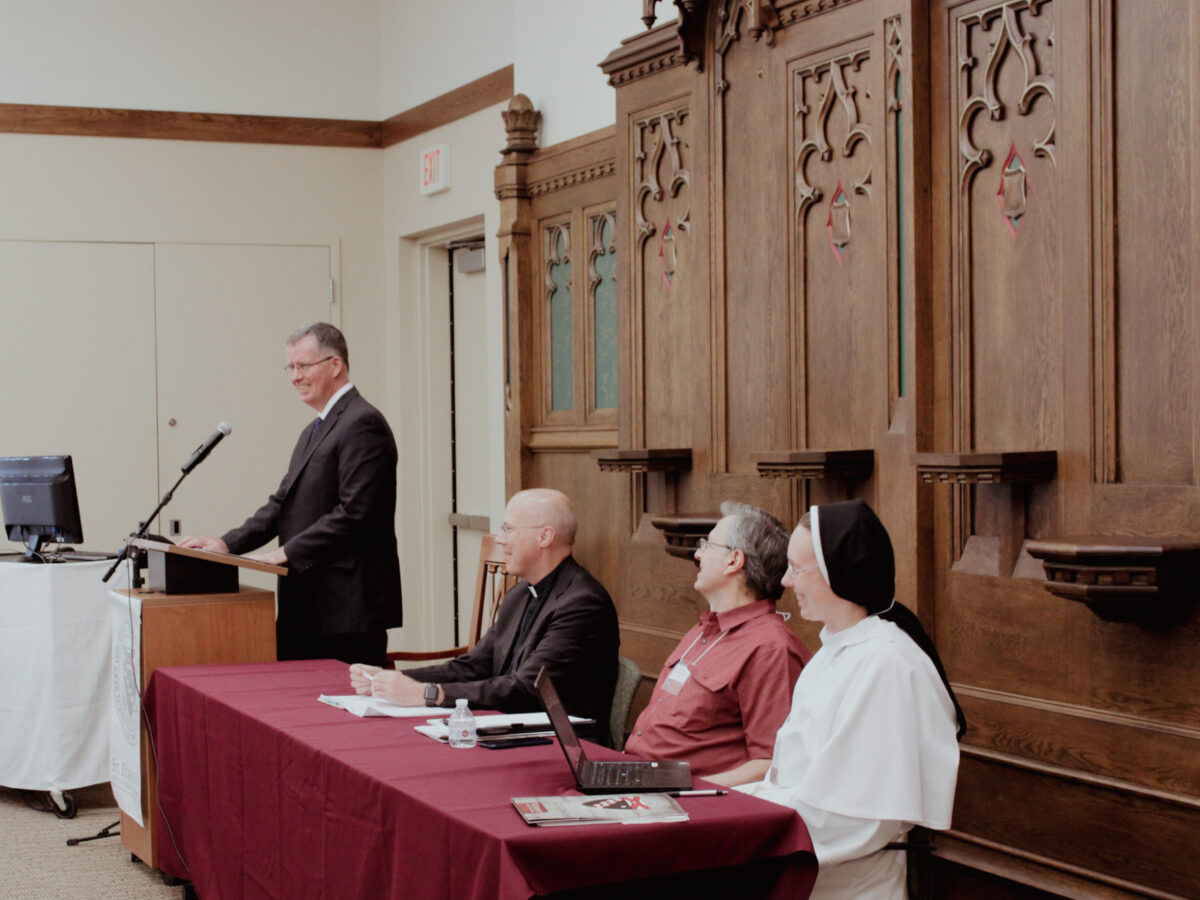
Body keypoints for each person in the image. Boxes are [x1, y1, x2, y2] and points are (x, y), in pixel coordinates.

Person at [737, 499, 966, 899]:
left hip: (844, 884)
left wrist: (746, 829)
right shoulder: (834, 651)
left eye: (798, 568)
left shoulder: (886, 664)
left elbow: (857, 819)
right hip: (807, 852)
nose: (786, 581)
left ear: (838, 573)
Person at [180, 322, 402, 668]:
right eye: (291, 367)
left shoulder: (362, 423)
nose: (294, 377)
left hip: (346, 609)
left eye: (303, 366)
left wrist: (285, 552)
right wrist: (225, 545)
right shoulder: (314, 429)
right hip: (307, 603)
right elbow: (282, 504)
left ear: (335, 365)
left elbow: (354, 513)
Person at [349, 488, 620, 743]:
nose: (500, 539)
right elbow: (474, 666)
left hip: (561, 744)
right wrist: (393, 680)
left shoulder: (582, 604)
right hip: (512, 729)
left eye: (508, 529)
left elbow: (526, 689)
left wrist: (429, 694)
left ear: (545, 537)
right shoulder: (521, 593)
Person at [623, 502, 810, 785]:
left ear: (734, 560)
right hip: (636, 778)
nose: (697, 554)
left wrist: (683, 789)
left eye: (707, 545)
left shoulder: (771, 648)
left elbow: (772, 763)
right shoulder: (705, 628)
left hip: (686, 804)